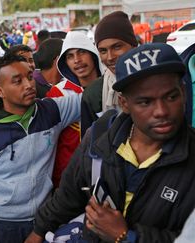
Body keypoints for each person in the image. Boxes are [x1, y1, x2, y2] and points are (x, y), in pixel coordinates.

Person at [26, 43, 195, 243]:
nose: (161, 111)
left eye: (171, 97)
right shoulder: (99, 136)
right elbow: (68, 196)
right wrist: (38, 232)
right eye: (145, 102)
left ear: (183, 93)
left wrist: (124, 236)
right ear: (124, 103)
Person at [0, 53, 81, 243]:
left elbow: (89, 100)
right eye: (17, 81)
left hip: (45, 219)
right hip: (3, 226)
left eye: (29, 76)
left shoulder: (50, 111)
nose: (28, 85)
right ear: (0, 92)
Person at [46, 31, 102, 186]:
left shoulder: (111, 86)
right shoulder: (58, 93)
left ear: (92, 53)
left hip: (107, 174)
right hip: (70, 179)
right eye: (70, 56)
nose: (77, 60)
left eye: (81, 52)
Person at [81, 11, 138, 136]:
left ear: (134, 46)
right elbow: (88, 146)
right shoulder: (93, 94)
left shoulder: (153, 82)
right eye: (103, 51)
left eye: (117, 47)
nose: (110, 57)